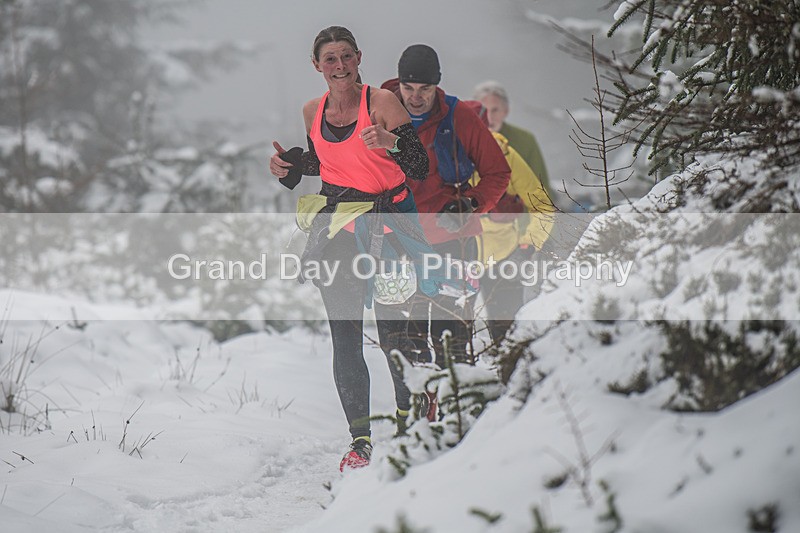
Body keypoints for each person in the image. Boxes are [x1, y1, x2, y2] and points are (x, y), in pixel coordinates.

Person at [269, 26, 431, 471]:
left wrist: (393, 142)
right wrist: (288, 167)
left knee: (393, 332)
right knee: (345, 336)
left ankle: (406, 422)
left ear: (359, 58)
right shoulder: (312, 110)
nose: (339, 67)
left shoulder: (381, 103)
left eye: (346, 57)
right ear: (316, 65)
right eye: (330, 59)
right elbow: (326, 165)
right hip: (339, 228)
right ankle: (360, 441)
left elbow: (419, 166)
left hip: (390, 226)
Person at [381, 45, 511, 368]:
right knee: (406, 352)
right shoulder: (378, 111)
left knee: (451, 346)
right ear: (398, 83)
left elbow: (498, 172)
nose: (415, 97)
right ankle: (416, 414)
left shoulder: (458, 115)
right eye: (408, 88)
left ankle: (454, 415)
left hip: (453, 244)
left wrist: (470, 205)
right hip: (399, 244)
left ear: (437, 84)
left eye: (424, 89)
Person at [462, 101, 555, 346]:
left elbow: (543, 206)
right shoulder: (441, 160)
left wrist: (528, 247)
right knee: (455, 343)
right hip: (456, 257)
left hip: (504, 257)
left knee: (508, 340)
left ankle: (512, 381)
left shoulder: (507, 157)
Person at [472, 80, 551, 197]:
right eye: (484, 110)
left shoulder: (526, 140)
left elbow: (541, 189)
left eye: (495, 110)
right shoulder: (462, 140)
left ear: (506, 111)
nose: (489, 117)